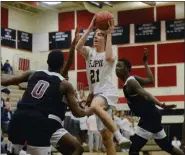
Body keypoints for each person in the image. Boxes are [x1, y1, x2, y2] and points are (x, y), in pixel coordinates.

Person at [1, 49, 93, 155]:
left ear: (47, 62)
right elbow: (77, 113)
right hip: (43, 121)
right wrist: (91, 110)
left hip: (19, 117)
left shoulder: (33, 73)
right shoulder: (65, 84)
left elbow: (6, 81)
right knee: (76, 149)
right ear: (62, 64)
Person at [76, 16, 130, 155]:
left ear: (105, 39)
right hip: (96, 93)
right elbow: (78, 47)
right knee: (106, 138)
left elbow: (108, 57)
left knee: (94, 106)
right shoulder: (89, 53)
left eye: (99, 35)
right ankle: (115, 139)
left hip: (107, 92)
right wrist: (89, 29)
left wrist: (109, 33)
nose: (95, 37)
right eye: (95, 35)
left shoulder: (110, 54)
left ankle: (120, 136)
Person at [115, 48, 184, 155]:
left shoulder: (131, 82)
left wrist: (161, 104)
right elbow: (151, 80)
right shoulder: (132, 79)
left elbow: (146, 94)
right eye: (116, 66)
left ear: (127, 69)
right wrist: (145, 62)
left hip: (149, 118)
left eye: (119, 66)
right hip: (152, 116)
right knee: (167, 147)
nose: (116, 68)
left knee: (133, 151)